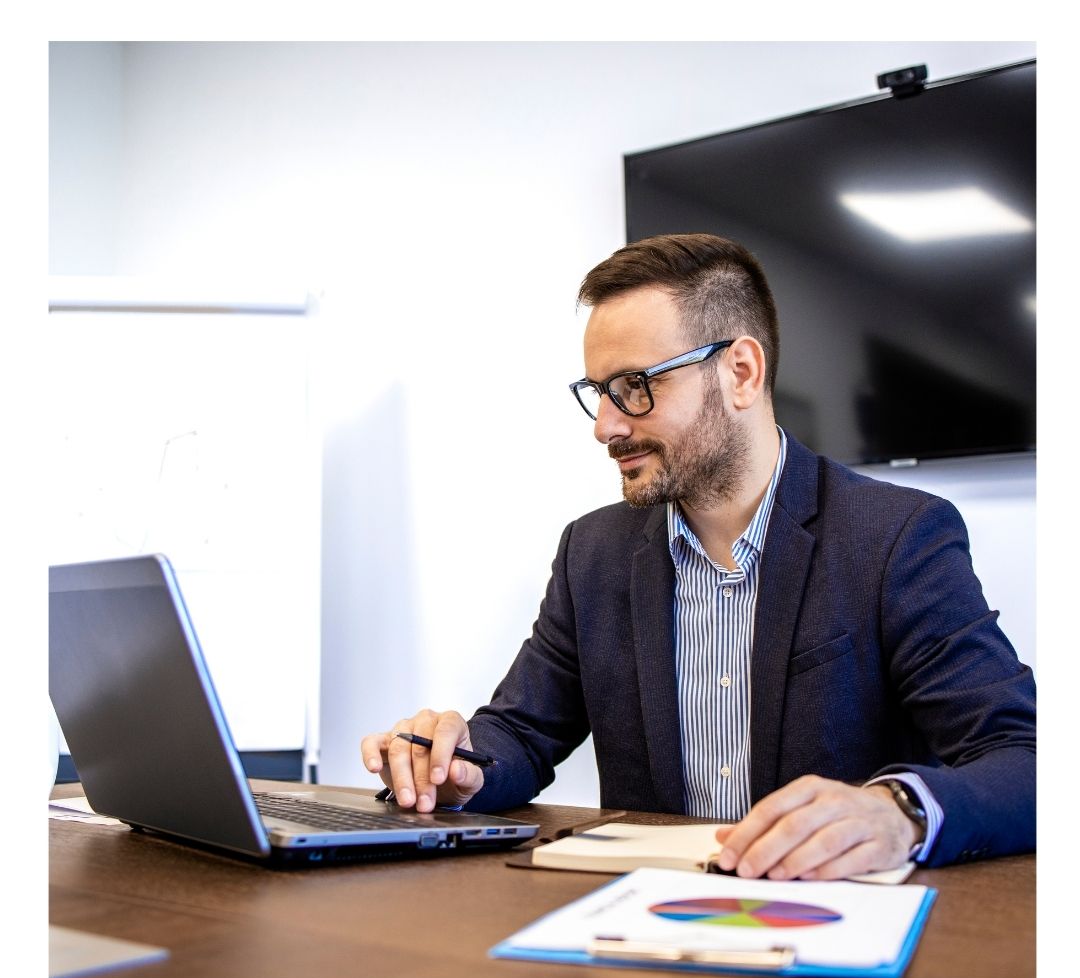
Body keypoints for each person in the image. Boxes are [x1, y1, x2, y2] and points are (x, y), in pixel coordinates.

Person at [361, 233, 1036, 879]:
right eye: (598, 392)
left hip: (828, 929)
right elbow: (522, 731)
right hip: (645, 925)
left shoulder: (894, 537)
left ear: (741, 372)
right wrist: (456, 766)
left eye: (635, 385)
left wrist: (899, 812)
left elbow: (1024, 759)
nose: (606, 426)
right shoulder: (593, 553)